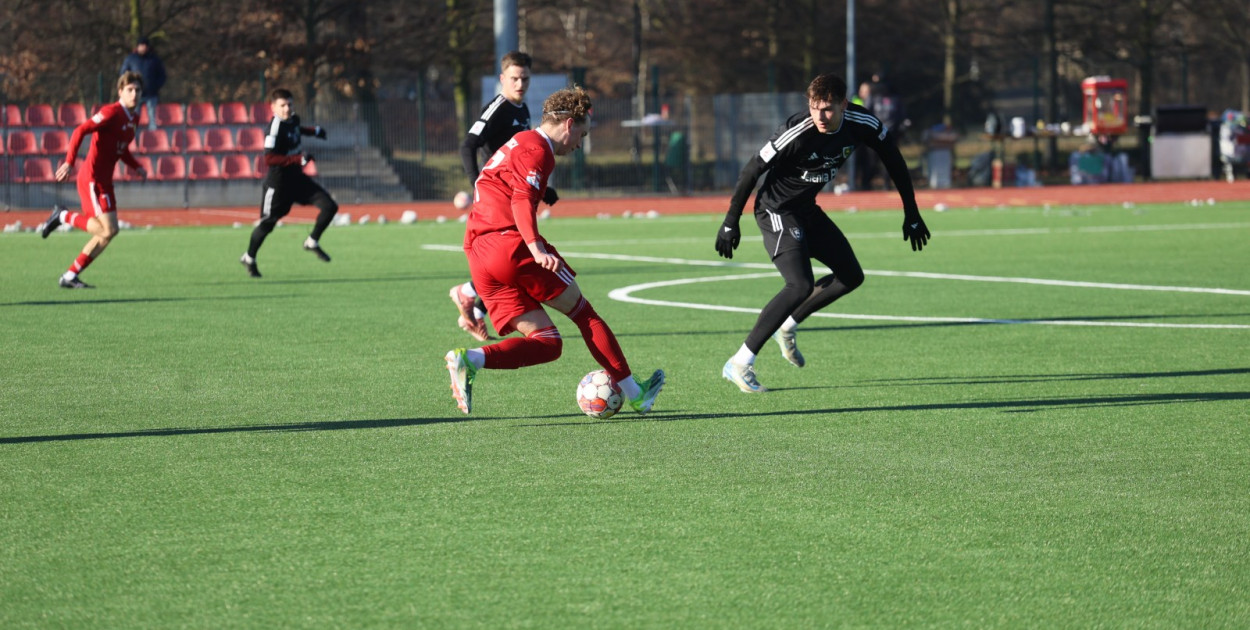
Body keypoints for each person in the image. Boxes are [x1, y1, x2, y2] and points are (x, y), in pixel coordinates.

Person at [445, 86, 665, 416]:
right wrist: (534, 247)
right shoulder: (539, 150)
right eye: (582, 134)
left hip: (478, 252)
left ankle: (469, 359)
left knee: (548, 343)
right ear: (568, 125)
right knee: (584, 314)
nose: (580, 144)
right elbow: (520, 200)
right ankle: (636, 394)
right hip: (512, 246)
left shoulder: (517, 143)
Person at [714, 73, 930, 393]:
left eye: (828, 109)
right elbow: (752, 169)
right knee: (799, 284)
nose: (820, 117)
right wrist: (731, 221)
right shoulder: (797, 130)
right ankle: (740, 361)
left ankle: (787, 325)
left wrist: (911, 211)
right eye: (815, 108)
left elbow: (893, 158)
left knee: (851, 276)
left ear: (844, 104)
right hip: (776, 209)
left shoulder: (862, 122)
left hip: (806, 210)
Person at [451, 51, 559, 342]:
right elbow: (468, 145)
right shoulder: (498, 107)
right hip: (497, 198)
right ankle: (469, 294)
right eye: (514, 78)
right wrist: (476, 185)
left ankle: (474, 307)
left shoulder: (522, 110)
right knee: (516, 256)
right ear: (502, 79)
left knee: (513, 261)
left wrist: (543, 188)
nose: (520, 83)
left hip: (515, 196)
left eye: (525, 78)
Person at [39, 72, 147, 288]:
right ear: (120, 92)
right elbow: (81, 130)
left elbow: (121, 148)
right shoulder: (111, 113)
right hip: (91, 179)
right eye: (129, 90)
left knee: (110, 231)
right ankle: (63, 216)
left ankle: (70, 276)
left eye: (137, 90)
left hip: (104, 181)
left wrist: (136, 166)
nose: (134, 94)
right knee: (106, 230)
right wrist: (70, 162)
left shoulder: (133, 118)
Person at [239, 88, 338, 278]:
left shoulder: (293, 119)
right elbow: (269, 159)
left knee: (329, 206)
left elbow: (295, 129)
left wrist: (314, 131)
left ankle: (312, 242)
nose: (287, 109)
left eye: (289, 104)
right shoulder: (273, 128)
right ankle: (249, 257)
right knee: (267, 225)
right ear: (273, 107)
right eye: (282, 105)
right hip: (278, 186)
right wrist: (296, 159)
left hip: (297, 180)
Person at [119, 37, 166, 131]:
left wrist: (156, 86)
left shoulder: (154, 59)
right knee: (133, 118)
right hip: (134, 95)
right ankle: (134, 139)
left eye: (145, 46)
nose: (143, 48)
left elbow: (162, 75)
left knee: (153, 119)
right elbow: (123, 74)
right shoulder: (131, 59)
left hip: (151, 94)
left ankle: (154, 141)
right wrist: (130, 88)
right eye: (141, 45)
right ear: (138, 46)